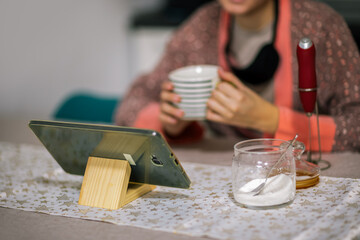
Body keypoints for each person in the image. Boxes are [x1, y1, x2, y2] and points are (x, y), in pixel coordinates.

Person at [115, 0, 360, 152]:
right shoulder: (202, 27)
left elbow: (356, 125)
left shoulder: (320, 26)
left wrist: (271, 119)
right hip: (227, 174)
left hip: (306, 174)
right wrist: (169, 122)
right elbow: (131, 106)